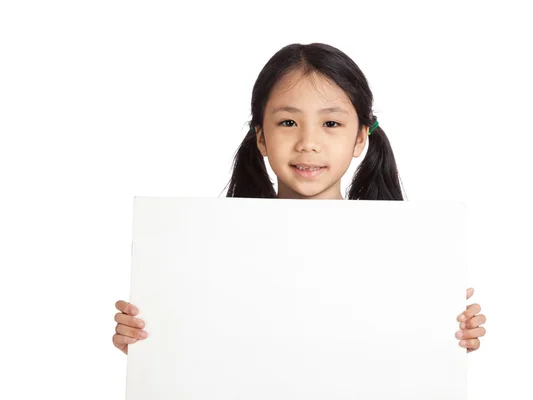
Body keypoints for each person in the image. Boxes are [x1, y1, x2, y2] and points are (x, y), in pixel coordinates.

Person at [112, 42, 487, 355]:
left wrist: (446, 335)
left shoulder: (406, 254)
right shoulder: (200, 251)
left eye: (331, 123)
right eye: (288, 122)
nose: (308, 142)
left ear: (360, 138)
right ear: (261, 136)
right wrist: (149, 342)